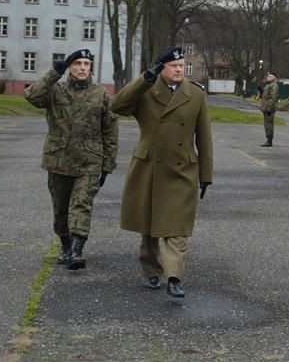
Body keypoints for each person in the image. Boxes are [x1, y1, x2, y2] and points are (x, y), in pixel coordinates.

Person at [111, 46, 214, 299]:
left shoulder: (196, 94)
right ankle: (151, 268)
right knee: (149, 224)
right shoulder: (146, 91)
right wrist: (144, 79)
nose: (180, 70)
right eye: (174, 66)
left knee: (177, 226)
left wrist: (206, 174)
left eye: (182, 66)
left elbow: (204, 136)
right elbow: (117, 105)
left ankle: (174, 277)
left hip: (182, 168)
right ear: (162, 68)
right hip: (149, 167)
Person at [24, 48, 118, 271]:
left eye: (86, 63)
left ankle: (77, 250)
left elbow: (110, 131)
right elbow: (32, 96)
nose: (83, 68)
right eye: (77, 64)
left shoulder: (101, 94)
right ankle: (65, 245)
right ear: (69, 67)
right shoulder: (55, 91)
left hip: (89, 162)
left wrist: (108, 164)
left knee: (82, 205)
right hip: (59, 160)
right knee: (61, 210)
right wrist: (55, 72)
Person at [261, 71, 279, 147]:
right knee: (266, 124)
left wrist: (269, 108)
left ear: (274, 78)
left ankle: (269, 140)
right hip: (266, 107)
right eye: (268, 76)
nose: (268, 77)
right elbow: (266, 96)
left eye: (270, 76)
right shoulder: (268, 85)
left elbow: (273, 97)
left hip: (269, 108)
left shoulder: (274, 85)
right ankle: (268, 139)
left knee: (269, 124)